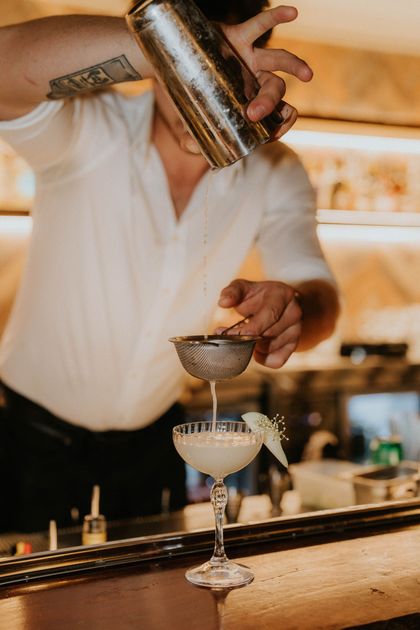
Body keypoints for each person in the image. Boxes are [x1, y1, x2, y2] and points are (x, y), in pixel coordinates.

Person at [0, 1, 339, 533]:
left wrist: (295, 308)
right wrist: (168, 43)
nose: (193, 97)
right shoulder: (90, 125)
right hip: (28, 444)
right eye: (182, 68)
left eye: (220, 72)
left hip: (155, 446)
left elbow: (319, 292)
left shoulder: (273, 169)